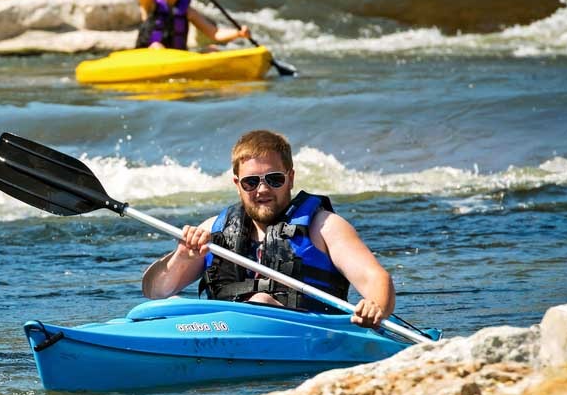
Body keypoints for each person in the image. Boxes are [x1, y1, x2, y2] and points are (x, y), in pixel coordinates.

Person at [141, 130, 395, 328]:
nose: (262, 190)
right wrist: (182, 258)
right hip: (222, 332)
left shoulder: (325, 227)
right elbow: (155, 291)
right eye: (251, 182)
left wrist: (376, 306)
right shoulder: (213, 231)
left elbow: (376, 278)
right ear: (237, 184)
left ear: (290, 178)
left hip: (306, 334)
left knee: (261, 301)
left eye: (274, 179)